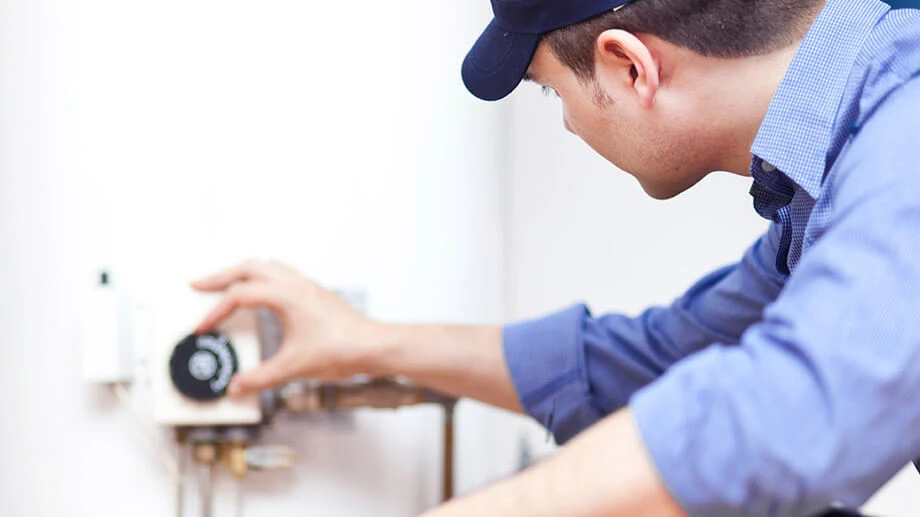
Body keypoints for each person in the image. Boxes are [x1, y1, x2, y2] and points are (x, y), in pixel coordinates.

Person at [191, 0, 920, 514]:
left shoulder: (906, 123)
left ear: (630, 67)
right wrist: (369, 343)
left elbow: (797, 406)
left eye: (549, 92)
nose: (570, 125)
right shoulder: (825, 180)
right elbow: (665, 362)